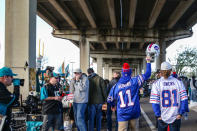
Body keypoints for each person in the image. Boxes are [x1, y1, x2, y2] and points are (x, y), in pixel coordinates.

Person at [107, 56, 151, 131]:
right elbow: (148, 74)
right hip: (134, 112)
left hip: (122, 114)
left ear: (122, 72)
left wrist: (113, 105)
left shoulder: (116, 86)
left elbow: (110, 99)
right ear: (130, 72)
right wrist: (148, 61)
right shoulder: (135, 81)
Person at [150, 62, 189, 131]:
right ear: (170, 70)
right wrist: (180, 113)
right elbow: (184, 99)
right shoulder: (178, 82)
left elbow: (155, 102)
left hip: (162, 115)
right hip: (175, 115)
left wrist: (158, 115)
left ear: (161, 71)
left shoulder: (156, 83)